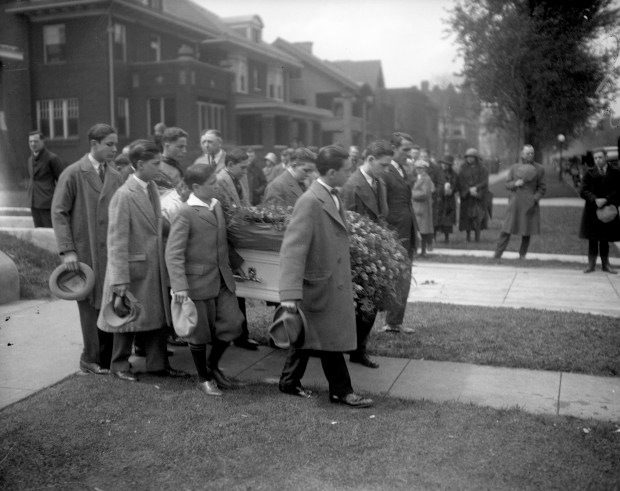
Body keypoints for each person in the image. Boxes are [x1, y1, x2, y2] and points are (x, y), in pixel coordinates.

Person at [278, 145, 373, 408]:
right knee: (322, 338)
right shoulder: (310, 201)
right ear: (331, 172)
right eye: (346, 169)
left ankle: (291, 382)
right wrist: (289, 295)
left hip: (329, 281)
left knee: (312, 338)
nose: (350, 172)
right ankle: (341, 391)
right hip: (317, 283)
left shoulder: (332, 195)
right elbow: (292, 250)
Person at [97, 140, 185, 382]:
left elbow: (158, 225)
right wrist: (119, 279)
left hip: (152, 266)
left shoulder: (151, 188)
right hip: (133, 269)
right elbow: (116, 241)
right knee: (126, 317)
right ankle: (119, 365)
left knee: (156, 317)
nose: (160, 168)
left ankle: (158, 365)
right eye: (155, 163)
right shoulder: (123, 196)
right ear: (139, 164)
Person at [166, 164, 246, 396]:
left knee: (233, 323)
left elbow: (223, 240)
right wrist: (179, 286)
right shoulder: (185, 212)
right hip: (196, 283)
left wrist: (237, 263)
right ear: (196, 187)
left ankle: (213, 367)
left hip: (222, 277)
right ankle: (203, 378)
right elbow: (173, 253)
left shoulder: (216, 204)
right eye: (212, 182)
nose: (217, 185)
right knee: (199, 332)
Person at [51, 123, 123, 375]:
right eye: (109, 144)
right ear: (94, 144)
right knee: (88, 305)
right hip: (84, 251)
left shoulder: (115, 175)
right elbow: (59, 212)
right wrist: (67, 250)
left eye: (116, 144)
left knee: (109, 303)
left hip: (110, 253)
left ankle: (107, 358)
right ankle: (89, 358)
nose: (115, 149)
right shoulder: (73, 173)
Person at [341, 140, 391, 369]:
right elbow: (348, 223)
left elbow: (382, 215)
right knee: (362, 307)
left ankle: (358, 348)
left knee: (369, 306)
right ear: (369, 160)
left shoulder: (378, 181)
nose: (386, 170)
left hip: (374, 252)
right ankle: (354, 349)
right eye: (383, 165)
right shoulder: (351, 186)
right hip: (358, 256)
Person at [216, 148, 259, 350]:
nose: (245, 171)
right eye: (242, 167)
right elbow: (222, 217)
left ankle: (241, 335)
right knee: (230, 293)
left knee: (239, 290)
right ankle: (233, 335)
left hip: (239, 240)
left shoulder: (240, 179)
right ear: (230, 164)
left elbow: (246, 206)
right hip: (225, 241)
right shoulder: (218, 181)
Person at [377, 132, 417, 334]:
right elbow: (382, 207)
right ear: (393, 148)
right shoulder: (386, 172)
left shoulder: (400, 170)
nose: (409, 154)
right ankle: (391, 323)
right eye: (405, 149)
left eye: (411, 149)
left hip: (406, 231)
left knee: (404, 277)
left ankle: (395, 322)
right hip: (395, 234)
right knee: (398, 277)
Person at [494, 144, 546, 260]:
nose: (530, 155)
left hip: (529, 204)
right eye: (528, 153)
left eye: (532, 153)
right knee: (506, 229)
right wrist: (515, 184)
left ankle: (522, 255)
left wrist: (535, 199)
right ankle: (497, 254)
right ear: (522, 154)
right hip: (515, 203)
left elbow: (542, 188)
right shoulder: (514, 168)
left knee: (526, 230)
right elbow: (507, 184)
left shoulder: (539, 169)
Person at [579, 149, 620, 274]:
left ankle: (605, 264)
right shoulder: (589, 173)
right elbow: (583, 190)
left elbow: (618, 190)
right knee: (593, 238)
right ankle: (591, 265)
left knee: (605, 238)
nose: (598, 160)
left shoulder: (615, 172)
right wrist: (594, 199)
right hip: (592, 210)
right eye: (596, 158)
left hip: (608, 209)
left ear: (606, 157)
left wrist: (607, 199)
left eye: (600, 157)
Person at [27, 131, 64, 228]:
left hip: (47, 203)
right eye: (30, 142)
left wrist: (58, 200)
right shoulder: (30, 159)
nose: (33, 144)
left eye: (36, 141)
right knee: (38, 233)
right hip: (33, 202)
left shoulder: (52, 158)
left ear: (43, 141)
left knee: (48, 232)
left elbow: (62, 181)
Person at [457, 148, 489, 242]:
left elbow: (484, 181)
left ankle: (477, 236)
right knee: (467, 217)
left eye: (472, 157)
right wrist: (468, 190)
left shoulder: (483, 168)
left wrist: (476, 189)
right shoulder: (462, 168)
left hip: (478, 196)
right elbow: (461, 181)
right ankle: (468, 236)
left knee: (478, 216)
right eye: (468, 157)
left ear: (476, 157)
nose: (469, 159)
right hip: (467, 196)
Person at [411, 160, 435, 256]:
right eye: (417, 168)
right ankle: (418, 250)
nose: (418, 170)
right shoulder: (418, 177)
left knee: (423, 230)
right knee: (419, 229)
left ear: (425, 169)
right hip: (417, 207)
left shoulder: (426, 179)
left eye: (420, 168)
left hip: (423, 207)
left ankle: (423, 251)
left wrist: (412, 194)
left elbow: (425, 193)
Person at [154, 127, 187, 195]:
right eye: (180, 147)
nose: (184, 151)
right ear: (167, 146)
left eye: (185, 147)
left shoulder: (174, 164)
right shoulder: (158, 168)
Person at [436, 155, 458, 243]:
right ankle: (434, 237)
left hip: (449, 200)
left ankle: (446, 237)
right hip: (439, 198)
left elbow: (457, 186)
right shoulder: (438, 173)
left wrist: (452, 190)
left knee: (448, 220)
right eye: (443, 164)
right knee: (437, 218)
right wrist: (441, 190)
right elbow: (435, 184)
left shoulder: (454, 175)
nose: (444, 165)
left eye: (447, 164)